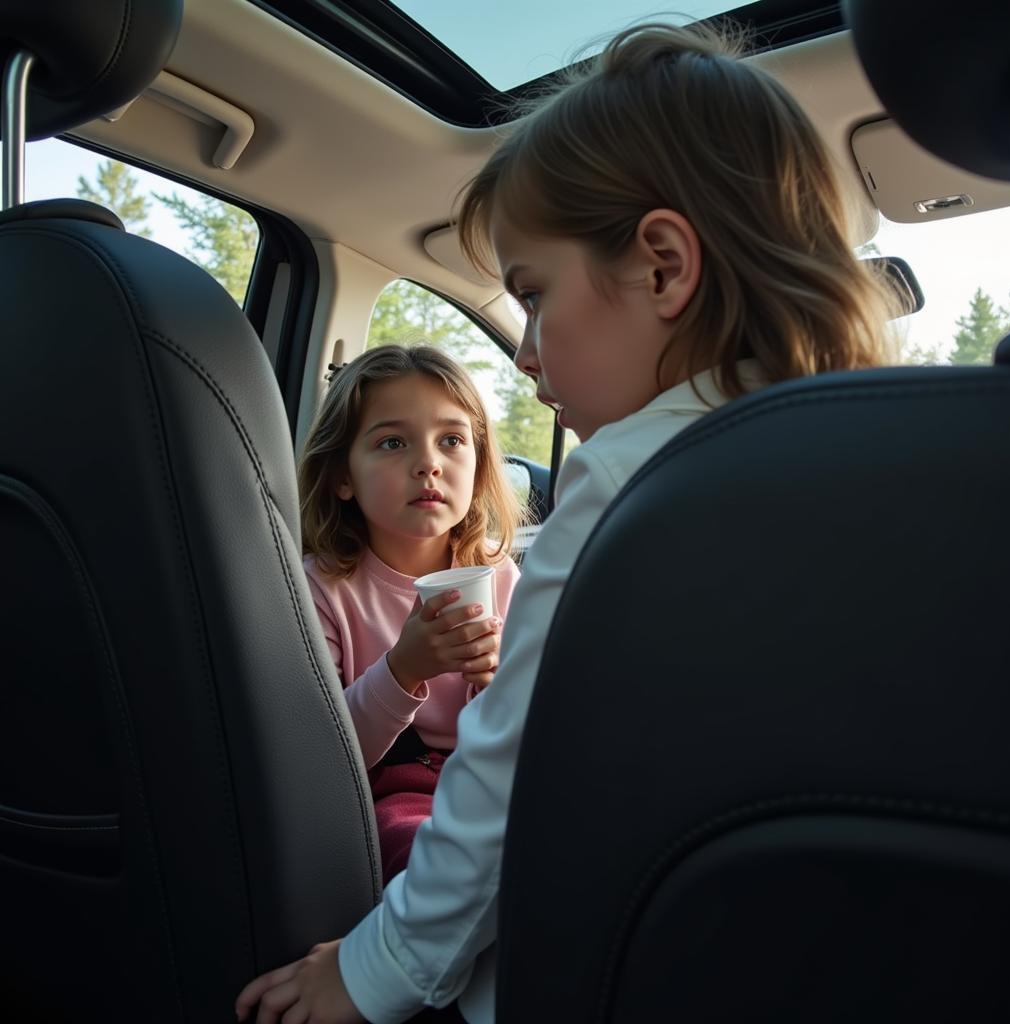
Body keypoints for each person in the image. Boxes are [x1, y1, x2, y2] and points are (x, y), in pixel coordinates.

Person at [237, 20, 896, 1024]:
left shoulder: (629, 477)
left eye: (534, 297)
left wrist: (376, 966)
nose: (527, 354)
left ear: (663, 268)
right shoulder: (859, 447)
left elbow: (502, 778)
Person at [298, 344, 523, 883]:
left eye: (452, 440)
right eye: (392, 443)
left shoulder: (500, 575)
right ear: (342, 477)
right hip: (395, 789)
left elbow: (529, 727)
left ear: (478, 463)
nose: (429, 463)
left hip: (494, 779)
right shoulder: (323, 588)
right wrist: (405, 668)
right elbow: (322, 756)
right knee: (424, 852)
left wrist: (494, 680)